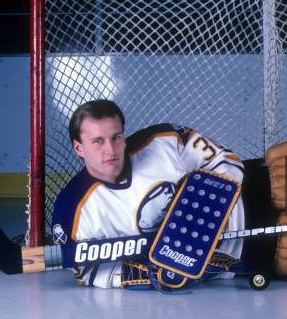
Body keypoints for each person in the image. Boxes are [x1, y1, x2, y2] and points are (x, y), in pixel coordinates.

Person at [51, 99, 245, 289]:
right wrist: (147, 274)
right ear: (79, 148)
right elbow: (85, 270)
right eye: (98, 141)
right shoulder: (70, 207)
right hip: (240, 266)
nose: (110, 150)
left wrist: (205, 208)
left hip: (253, 196)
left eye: (116, 137)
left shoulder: (164, 140)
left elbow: (226, 159)